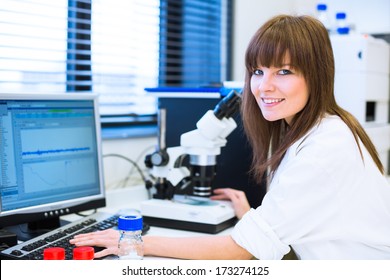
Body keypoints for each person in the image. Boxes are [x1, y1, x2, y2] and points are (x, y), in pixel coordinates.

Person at [70, 14, 390, 260]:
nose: (264, 86)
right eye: (257, 71)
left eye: (284, 71)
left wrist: (133, 242)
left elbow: (241, 251)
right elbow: (303, 221)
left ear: (317, 74)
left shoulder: (325, 147)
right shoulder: (309, 130)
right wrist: (254, 218)